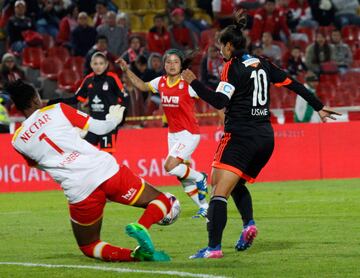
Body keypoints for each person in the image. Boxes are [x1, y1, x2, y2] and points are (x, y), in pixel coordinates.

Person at [181, 10, 341, 259]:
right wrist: (318, 106)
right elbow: (293, 83)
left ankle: (213, 248)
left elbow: (218, 100)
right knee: (236, 183)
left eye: (221, 47)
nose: (219, 51)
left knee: (217, 190)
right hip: (266, 138)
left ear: (230, 45)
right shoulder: (262, 63)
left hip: (240, 136)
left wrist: (193, 82)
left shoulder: (231, 67)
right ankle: (249, 225)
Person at [8, 79, 172, 262]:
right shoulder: (58, 110)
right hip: (105, 171)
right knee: (162, 199)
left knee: (89, 245)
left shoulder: (18, 141)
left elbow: (39, 163)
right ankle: (142, 226)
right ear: (35, 101)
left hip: (79, 190)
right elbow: (100, 128)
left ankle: (135, 257)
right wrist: (113, 120)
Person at [117, 49, 209, 218]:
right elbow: (143, 86)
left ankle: (200, 177)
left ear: (181, 65)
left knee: (169, 167)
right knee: (181, 176)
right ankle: (204, 207)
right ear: (164, 65)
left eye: (175, 62)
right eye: (168, 62)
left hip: (189, 133)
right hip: (172, 134)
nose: (172, 65)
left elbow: (209, 95)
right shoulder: (161, 82)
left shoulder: (188, 84)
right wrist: (126, 69)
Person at [48, 52, 128, 154]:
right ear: (91, 65)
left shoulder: (112, 78)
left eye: (101, 63)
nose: (98, 66)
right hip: (93, 124)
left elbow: (125, 98)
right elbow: (76, 99)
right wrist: (58, 101)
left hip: (108, 125)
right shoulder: (88, 80)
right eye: (95, 64)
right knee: (85, 154)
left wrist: (121, 119)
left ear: (106, 64)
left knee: (107, 157)